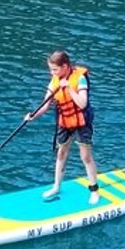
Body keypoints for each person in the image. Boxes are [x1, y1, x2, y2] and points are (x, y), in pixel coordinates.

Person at [25, 50, 100, 206]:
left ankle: (94, 190)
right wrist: (33, 116)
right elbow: (45, 105)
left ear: (65, 66)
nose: (52, 73)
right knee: (61, 154)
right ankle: (57, 186)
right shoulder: (54, 81)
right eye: (51, 69)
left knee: (85, 156)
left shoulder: (80, 79)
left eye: (55, 69)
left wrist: (69, 88)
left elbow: (82, 103)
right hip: (64, 121)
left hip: (82, 122)